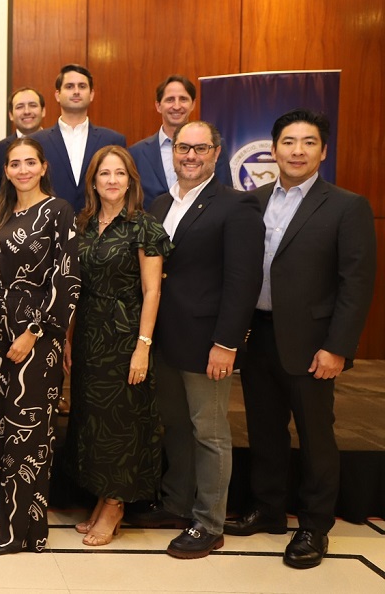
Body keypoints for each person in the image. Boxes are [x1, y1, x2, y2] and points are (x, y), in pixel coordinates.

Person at [223, 109, 376, 569]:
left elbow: (356, 284)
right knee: (264, 430)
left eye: (309, 142)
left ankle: (314, 525)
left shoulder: (347, 206)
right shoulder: (253, 201)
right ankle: (268, 509)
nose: (297, 151)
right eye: (288, 142)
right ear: (273, 150)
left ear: (323, 151)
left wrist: (338, 347)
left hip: (313, 344)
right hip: (258, 334)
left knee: (316, 437)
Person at [145, 120, 264, 559]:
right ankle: (177, 503)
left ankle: (210, 523)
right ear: (173, 152)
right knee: (176, 425)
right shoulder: (160, 204)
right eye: (183, 148)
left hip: (207, 343)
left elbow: (243, 281)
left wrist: (227, 343)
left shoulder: (236, 205)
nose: (190, 156)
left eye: (200, 149)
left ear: (216, 153)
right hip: (165, 339)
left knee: (209, 433)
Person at [0, 137, 80, 554]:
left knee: (28, 431)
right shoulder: (0, 214)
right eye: (15, 164)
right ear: (6, 171)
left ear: (44, 166)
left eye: (30, 162)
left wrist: (33, 331)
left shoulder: (58, 210)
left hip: (36, 336)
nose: (22, 170)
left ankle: (23, 529)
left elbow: (67, 279)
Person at [63, 145, 170, 547]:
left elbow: (152, 290)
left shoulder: (145, 227)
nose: (112, 180)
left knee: (122, 422)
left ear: (130, 181)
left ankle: (115, 505)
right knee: (93, 422)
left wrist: (143, 346)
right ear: (93, 181)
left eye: (119, 173)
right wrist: (69, 338)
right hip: (89, 336)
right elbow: (75, 287)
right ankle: (101, 498)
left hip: (126, 335)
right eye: (104, 173)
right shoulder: (84, 225)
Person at [129, 76, 230, 208]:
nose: (177, 106)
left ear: (193, 104)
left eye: (183, 99)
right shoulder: (136, 153)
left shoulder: (214, 146)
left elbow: (225, 195)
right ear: (158, 106)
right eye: (170, 100)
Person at [36, 64, 126, 212]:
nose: (76, 91)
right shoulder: (37, 141)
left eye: (82, 86)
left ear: (91, 94)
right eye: (69, 86)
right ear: (57, 95)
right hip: (49, 222)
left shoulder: (113, 140)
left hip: (99, 222)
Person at [0, 87, 47, 217]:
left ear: (43, 111)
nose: (27, 111)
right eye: (20, 107)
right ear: (11, 115)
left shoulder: (55, 145)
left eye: (33, 105)